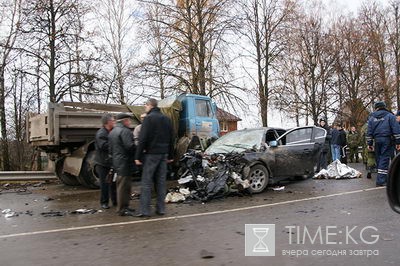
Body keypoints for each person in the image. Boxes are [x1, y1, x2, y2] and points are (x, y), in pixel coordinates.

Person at [135, 98, 174, 217]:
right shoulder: (167, 119)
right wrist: (171, 155)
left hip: (151, 154)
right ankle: (161, 209)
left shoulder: (148, 119)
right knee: (161, 182)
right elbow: (172, 138)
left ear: (150, 106)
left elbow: (143, 138)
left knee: (146, 182)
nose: (145, 108)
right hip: (163, 154)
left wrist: (138, 156)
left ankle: (144, 211)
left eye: (145, 106)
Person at [108, 112, 136, 216]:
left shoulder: (112, 132)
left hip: (117, 162)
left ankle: (124, 207)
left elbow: (110, 149)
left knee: (121, 186)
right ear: (124, 121)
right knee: (124, 187)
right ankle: (122, 208)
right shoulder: (125, 131)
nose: (129, 122)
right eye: (128, 120)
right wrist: (138, 149)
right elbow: (129, 147)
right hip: (125, 162)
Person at [367, 101, 400, 186]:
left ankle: (381, 178)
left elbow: (369, 132)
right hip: (387, 140)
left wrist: (369, 143)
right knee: (384, 159)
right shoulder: (390, 116)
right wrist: (398, 142)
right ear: (384, 106)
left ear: (376, 108)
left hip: (377, 140)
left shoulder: (371, 118)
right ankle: (381, 180)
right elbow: (396, 129)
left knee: (379, 159)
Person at [94, 113, 117, 209]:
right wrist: (116, 145)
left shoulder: (111, 131)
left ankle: (115, 201)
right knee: (105, 184)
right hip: (103, 163)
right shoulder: (101, 133)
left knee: (113, 182)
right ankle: (104, 202)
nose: (114, 122)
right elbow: (103, 146)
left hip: (111, 162)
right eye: (112, 120)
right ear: (108, 122)